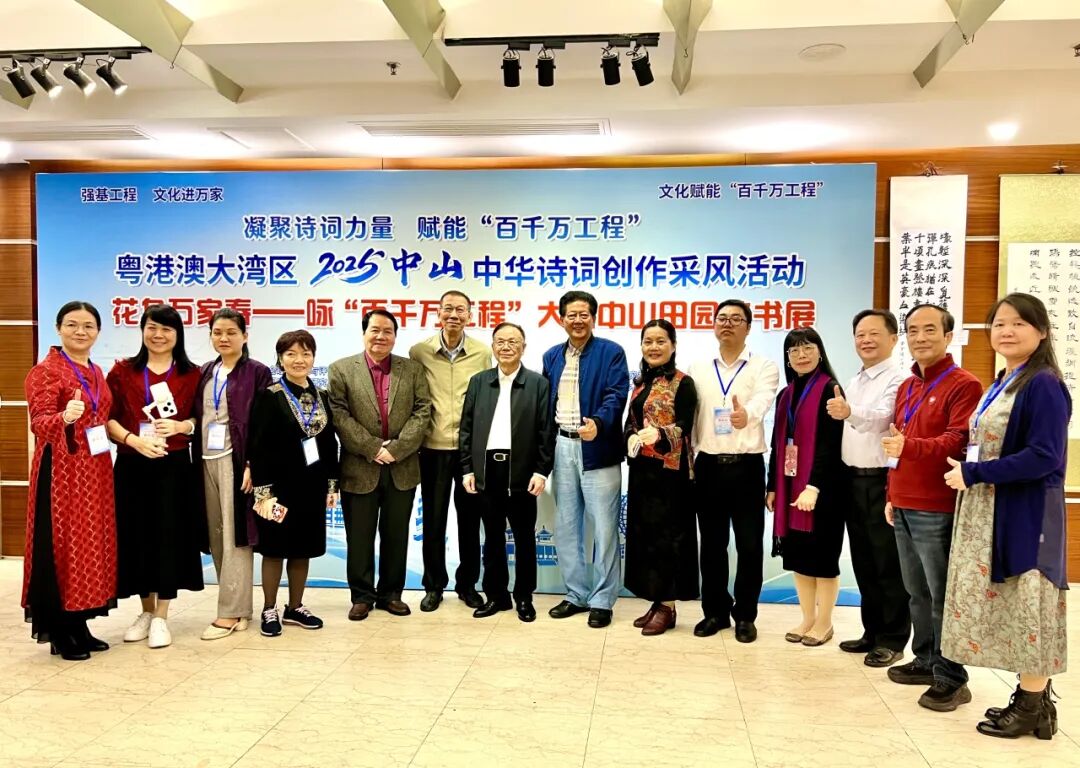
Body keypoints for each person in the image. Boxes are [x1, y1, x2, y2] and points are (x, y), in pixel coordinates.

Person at [941, 293, 1070, 740]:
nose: (1007, 331)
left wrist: (975, 472)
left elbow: (1045, 456)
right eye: (999, 324)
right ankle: (1036, 702)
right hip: (993, 505)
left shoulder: (1044, 384)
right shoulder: (1005, 380)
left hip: (1027, 513)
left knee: (1030, 601)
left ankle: (1031, 705)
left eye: (1018, 323)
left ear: (1042, 331)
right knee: (1015, 604)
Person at [881, 302, 982, 711]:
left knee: (942, 595)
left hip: (937, 505)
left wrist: (910, 447)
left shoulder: (964, 384)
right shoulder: (907, 386)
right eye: (913, 330)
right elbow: (895, 443)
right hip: (904, 501)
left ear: (948, 335)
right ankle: (925, 660)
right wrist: (891, 494)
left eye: (929, 330)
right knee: (916, 593)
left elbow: (959, 440)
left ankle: (952, 677)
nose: (920, 338)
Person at [22, 301, 116, 661]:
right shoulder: (45, 371)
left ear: (98, 332)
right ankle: (60, 630)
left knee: (88, 545)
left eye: (88, 326)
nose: (81, 331)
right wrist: (63, 416)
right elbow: (39, 423)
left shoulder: (95, 370)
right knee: (62, 546)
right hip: (61, 472)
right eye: (73, 324)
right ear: (59, 328)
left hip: (95, 471)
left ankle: (79, 623)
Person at [106, 304, 203, 649]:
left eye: (166, 329)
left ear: (178, 335)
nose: (158, 335)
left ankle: (162, 615)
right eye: (152, 327)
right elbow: (107, 418)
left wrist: (181, 426)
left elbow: (201, 419)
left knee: (169, 537)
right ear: (142, 330)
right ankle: (145, 611)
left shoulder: (192, 374)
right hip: (132, 464)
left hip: (173, 466)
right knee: (136, 537)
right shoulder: (122, 371)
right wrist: (133, 440)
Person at [329, 309, 431, 620]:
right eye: (375, 330)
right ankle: (361, 596)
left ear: (395, 337)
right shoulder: (341, 369)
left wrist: (396, 450)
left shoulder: (412, 369)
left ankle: (391, 594)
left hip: (402, 467)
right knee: (359, 537)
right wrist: (372, 447)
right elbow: (339, 415)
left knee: (396, 535)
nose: (381, 336)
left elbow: (422, 411)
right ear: (364, 333)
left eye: (388, 331)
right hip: (359, 467)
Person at [687, 299, 779, 643]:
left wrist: (746, 415)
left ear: (748, 327)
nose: (727, 323)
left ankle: (745, 615)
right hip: (708, 465)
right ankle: (715, 612)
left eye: (736, 319)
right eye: (721, 318)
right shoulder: (698, 367)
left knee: (750, 545)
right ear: (713, 325)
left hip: (747, 466)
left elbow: (762, 400)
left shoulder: (764, 366)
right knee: (711, 545)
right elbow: (691, 416)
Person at [826, 309, 910, 667]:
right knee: (863, 560)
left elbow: (884, 418)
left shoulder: (899, 379)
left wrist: (849, 413)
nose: (866, 340)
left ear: (893, 338)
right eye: (860, 334)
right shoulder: (855, 379)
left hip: (880, 480)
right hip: (852, 479)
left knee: (887, 562)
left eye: (874, 333)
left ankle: (892, 638)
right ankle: (871, 631)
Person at [542, 291, 629, 629]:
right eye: (571, 315)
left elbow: (616, 394)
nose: (578, 320)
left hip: (598, 447)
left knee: (605, 529)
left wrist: (600, 423)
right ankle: (576, 593)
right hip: (562, 446)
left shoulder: (611, 352)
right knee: (566, 526)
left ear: (594, 317)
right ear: (561, 318)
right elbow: (545, 403)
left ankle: (603, 599)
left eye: (584, 314)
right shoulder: (551, 355)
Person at [459, 322, 553, 622]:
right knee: (493, 538)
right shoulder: (479, 381)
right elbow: (466, 428)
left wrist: (541, 471)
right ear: (493, 346)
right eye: (500, 341)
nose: (506, 347)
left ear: (524, 347)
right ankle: (496, 596)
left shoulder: (538, 384)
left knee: (525, 538)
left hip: (523, 471)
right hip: (487, 469)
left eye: (513, 341)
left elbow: (546, 432)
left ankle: (524, 596)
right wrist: (467, 469)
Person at [250, 330, 340, 637]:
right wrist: (263, 493)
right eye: (291, 354)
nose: (299, 360)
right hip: (279, 490)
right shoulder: (270, 395)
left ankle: (295, 607)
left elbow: (329, 444)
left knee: (303, 549)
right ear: (280, 359)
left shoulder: (322, 396)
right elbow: (259, 446)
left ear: (313, 358)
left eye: (305, 353)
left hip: (312, 487)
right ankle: (269, 608)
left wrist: (332, 485)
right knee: (274, 549)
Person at [192, 308, 272, 640]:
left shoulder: (257, 372)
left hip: (235, 462)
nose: (223, 338)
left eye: (231, 332)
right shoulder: (205, 371)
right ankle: (238, 608)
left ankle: (230, 612)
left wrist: (252, 463)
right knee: (215, 535)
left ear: (245, 336)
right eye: (217, 332)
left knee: (236, 535)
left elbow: (263, 423)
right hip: (204, 459)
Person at [409, 291, 492, 612]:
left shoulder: (483, 353)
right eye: (448, 309)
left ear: (470, 315)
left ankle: (467, 584)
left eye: (460, 310)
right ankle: (433, 586)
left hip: (471, 451)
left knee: (470, 521)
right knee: (433, 521)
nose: (454, 315)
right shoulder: (420, 352)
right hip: (433, 448)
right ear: (438, 313)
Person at [766, 328, 845, 647]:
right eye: (794, 350)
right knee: (799, 558)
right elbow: (778, 445)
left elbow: (831, 444)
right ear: (787, 358)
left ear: (820, 351)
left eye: (807, 347)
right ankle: (807, 618)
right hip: (790, 487)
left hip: (822, 490)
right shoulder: (785, 395)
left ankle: (824, 622)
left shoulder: (830, 389)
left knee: (822, 559)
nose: (801, 354)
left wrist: (814, 485)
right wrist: (772, 486)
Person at [623, 320, 699, 636]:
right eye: (648, 341)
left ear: (673, 345)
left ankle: (668, 605)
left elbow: (685, 425)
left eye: (660, 341)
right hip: (643, 472)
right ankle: (657, 601)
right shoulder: (641, 382)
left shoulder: (683, 383)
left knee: (669, 538)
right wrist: (630, 436)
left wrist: (661, 433)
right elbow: (631, 420)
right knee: (648, 538)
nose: (653, 347)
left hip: (672, 473)